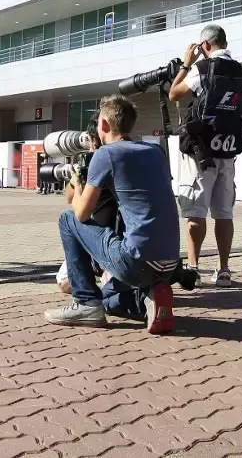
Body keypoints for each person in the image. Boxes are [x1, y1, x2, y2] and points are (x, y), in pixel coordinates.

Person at [45, 95, 179, 334]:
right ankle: (149, 302)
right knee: (106, 298)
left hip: (137, 260)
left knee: (67, 219)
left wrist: (76, 181)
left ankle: (86, 303)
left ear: (104, 125)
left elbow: (81, 214)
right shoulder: (156, 151)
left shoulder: (105, 155)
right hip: (168, 262)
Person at [168, 24, 242, 288]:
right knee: (224, 212)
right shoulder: (240, 71)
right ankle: (224, 269)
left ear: (205, 46)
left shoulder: (202, 68)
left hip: (200, 150)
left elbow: (174, 93)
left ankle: (193, 268)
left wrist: (185, 63)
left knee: (196, 212)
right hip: (227, 149)